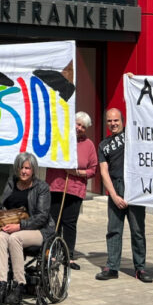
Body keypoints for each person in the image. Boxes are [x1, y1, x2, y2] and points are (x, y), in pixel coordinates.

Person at [0, 152, 54, 305]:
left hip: (39, 230)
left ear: (33, 170)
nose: (24, 171)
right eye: (21, 168)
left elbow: (42, 217)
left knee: (14, 238)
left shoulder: (42, 187)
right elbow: (4, 206)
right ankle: (1, 285)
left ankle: (19, 285)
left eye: (27, 168)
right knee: (0, 237)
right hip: (13, 227)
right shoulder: (11, 183)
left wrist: (19, 226)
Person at [96, 107, 151, 283]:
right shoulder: (103, 145)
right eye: (109, 121)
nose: (113, 124)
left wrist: (133, 81)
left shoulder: (132, 134)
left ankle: (140, 268)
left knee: (137, 231)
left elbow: (140, 110)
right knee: (113, 231)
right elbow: (104, 172)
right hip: (115, 188)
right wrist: (114, 196)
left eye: (116, 120)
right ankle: (112, 267)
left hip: (135, 187)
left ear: (123, 121)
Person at [45, 111, 97, 270]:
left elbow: (93, 169)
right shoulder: (60, 137)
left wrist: (78, 173)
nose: (79, 128)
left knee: (70, 223)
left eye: (83, 126)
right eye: (77, 124)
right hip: (56, 185)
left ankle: (69, 256)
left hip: (75, 189)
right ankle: (51, 254)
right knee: (54, 221)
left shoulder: (89, 145)